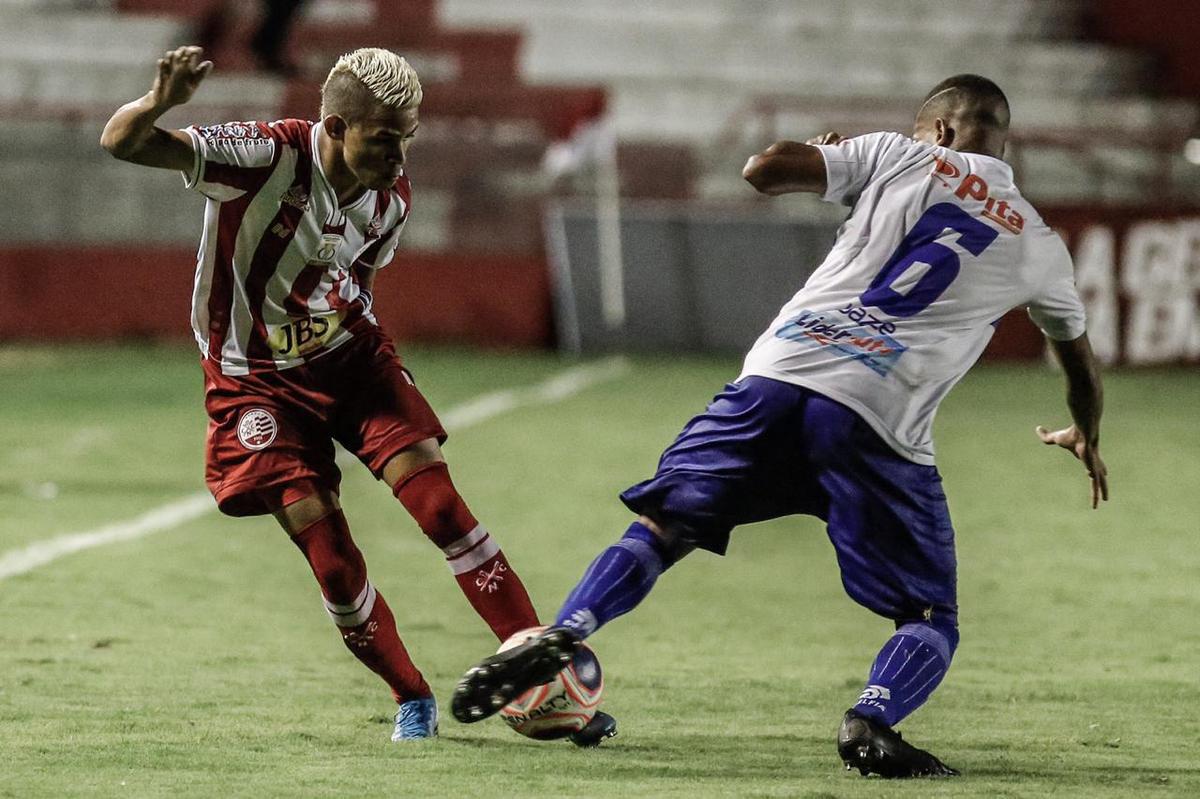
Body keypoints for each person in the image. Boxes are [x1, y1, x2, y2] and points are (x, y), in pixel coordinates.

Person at [450, 74, 1108, 777]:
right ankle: (872, 715)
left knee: (662, 528)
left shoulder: (895, 153)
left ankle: (567, 628)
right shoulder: (1040, 243)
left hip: (777, 376)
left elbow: (763, 169)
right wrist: (1085, 432)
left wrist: (828, 155)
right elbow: (1079, 368)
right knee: (929, 613)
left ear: (940, 131)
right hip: (877, 420)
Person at [99, 45, 614, 745]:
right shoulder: (264, 155)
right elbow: (123, 142)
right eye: (384, 138)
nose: (400, 157)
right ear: (337, 126)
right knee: (333, 563)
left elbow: (358, 280)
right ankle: (412, 695)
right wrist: (162, 99)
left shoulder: (389, 199)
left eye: (407, 139)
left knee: (441, 507)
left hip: (351, 359)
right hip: (254, 381)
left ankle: (539, 675)